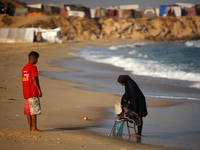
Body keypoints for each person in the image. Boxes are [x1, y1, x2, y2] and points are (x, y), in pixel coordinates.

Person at [22, 51, 42, 132]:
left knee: (28, 111)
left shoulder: (24, 68)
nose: (37, 61)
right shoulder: (33, 68)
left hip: (26, 93)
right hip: (33, 92)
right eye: (37, 59)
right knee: (34, 111)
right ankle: (34, 128)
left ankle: (30, 127)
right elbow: (34, 79)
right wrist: (38, 89)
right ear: (34, 58)